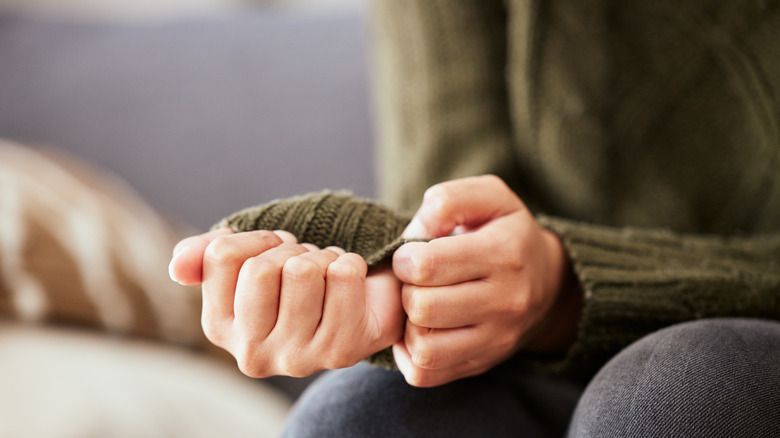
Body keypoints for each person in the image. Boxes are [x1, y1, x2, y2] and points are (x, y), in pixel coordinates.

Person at [169, 1, 780, 436]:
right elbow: (443, 202)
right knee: (362, 415)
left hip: (705, 342)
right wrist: (415, 295)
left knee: (681, 393)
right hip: (542, 354)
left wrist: (560, 283)